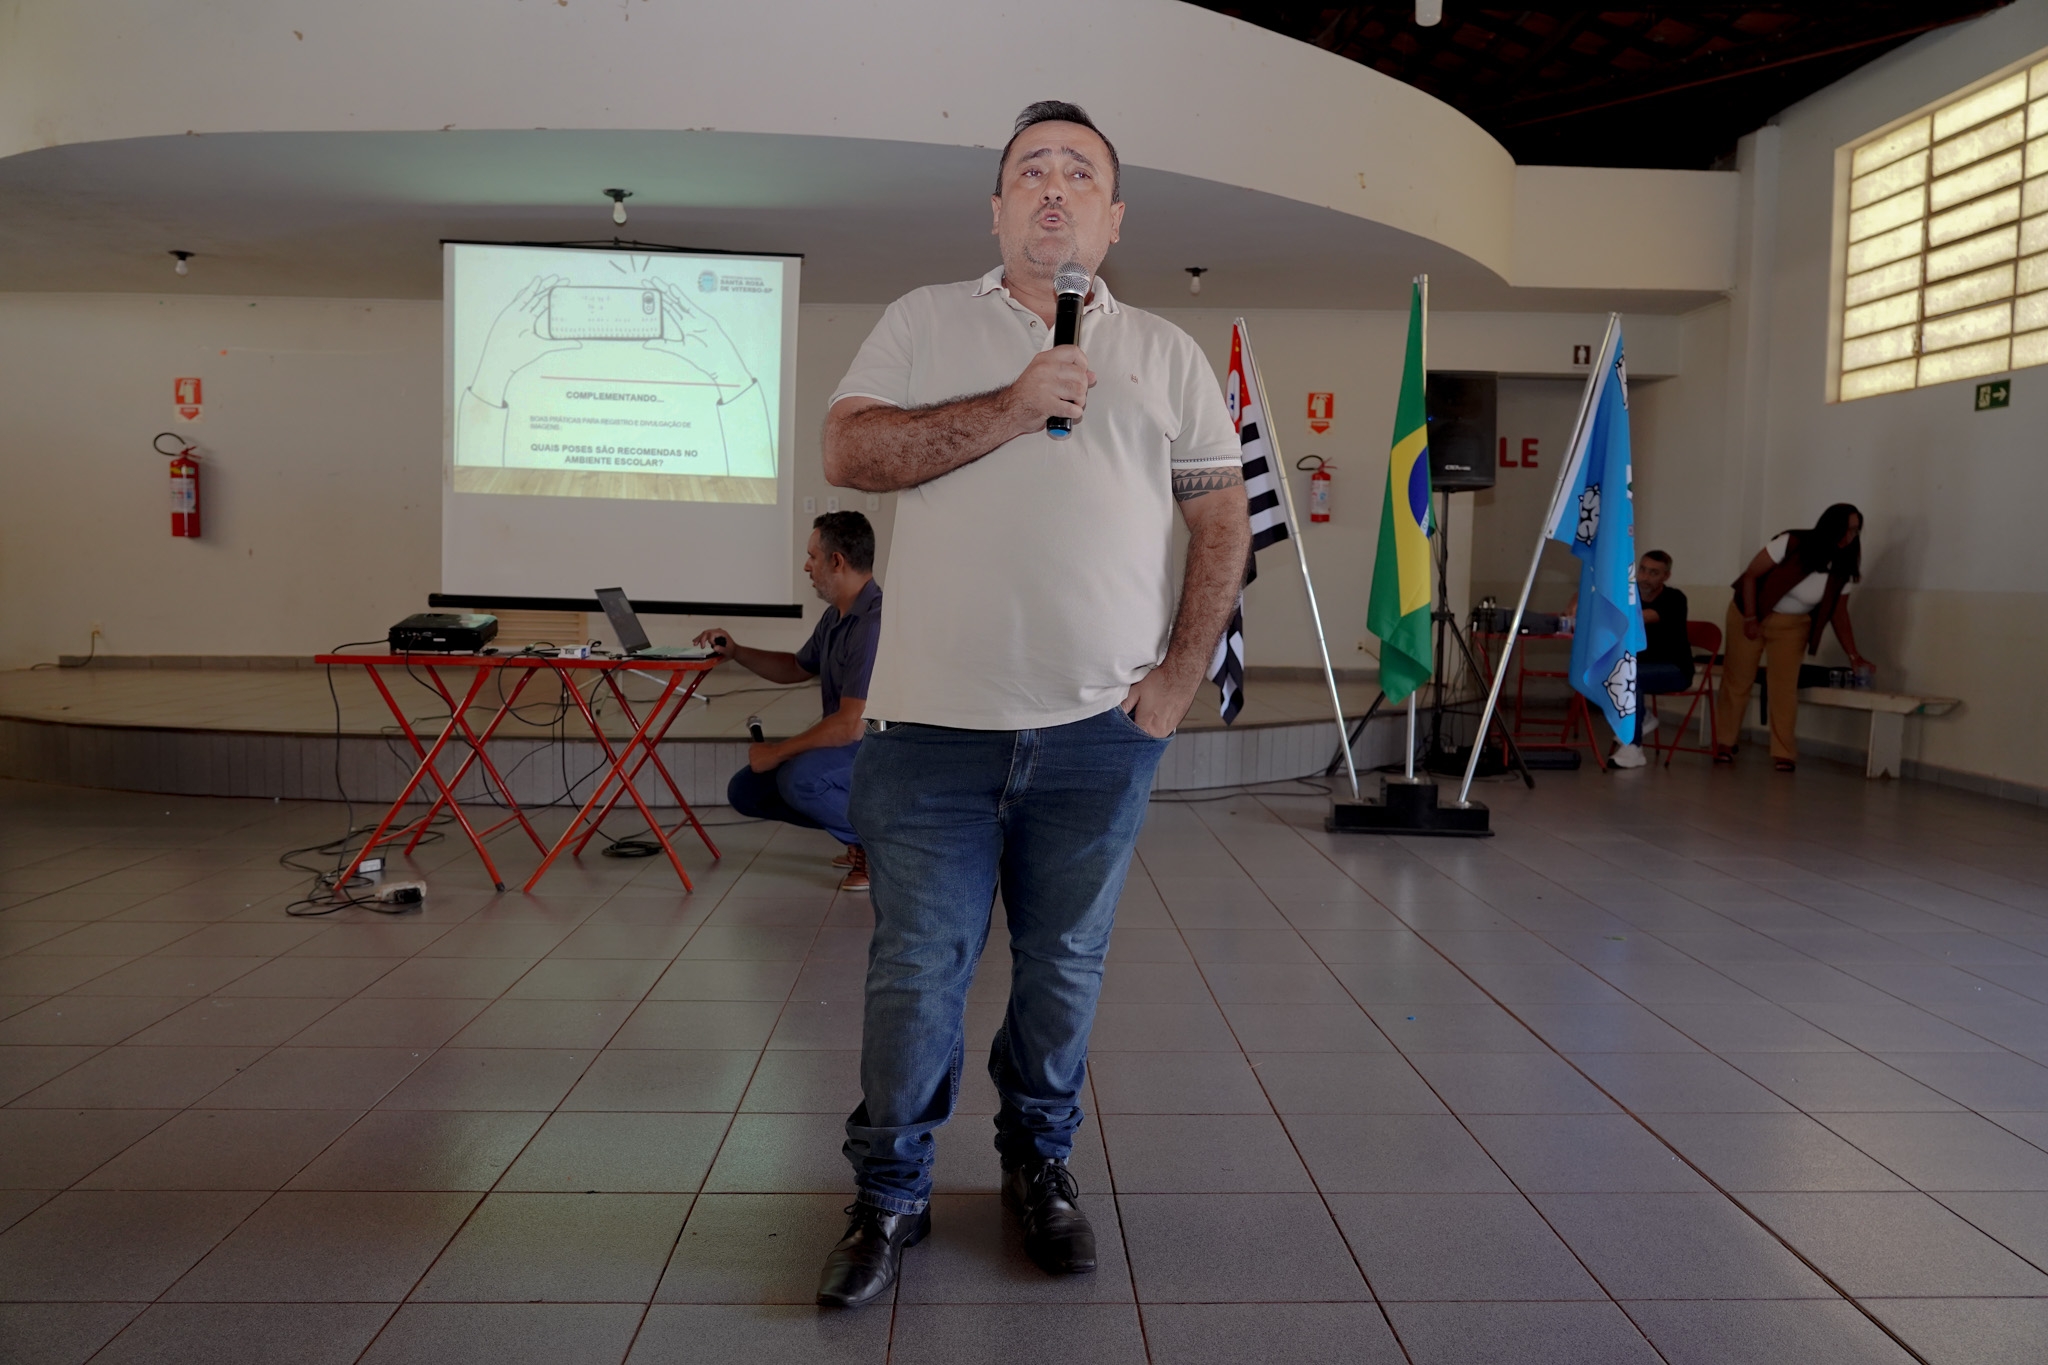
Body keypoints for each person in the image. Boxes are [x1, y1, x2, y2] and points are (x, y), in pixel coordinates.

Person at [810, 100, 1250, 1308]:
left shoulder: (1165, 353)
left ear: (1114, 218)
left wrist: (1174, 681)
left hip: (1096, 738)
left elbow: (1221, 522)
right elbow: (850, 455)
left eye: (1079, 175)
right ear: (996, 209)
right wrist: (1015, 402)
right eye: (1030, 173)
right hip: (927, 735)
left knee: (1062, 969)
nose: (1054, 189)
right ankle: (888, 1191)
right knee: (917, 975)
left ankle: (1036, 1163)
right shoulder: (921, 321)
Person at [693, 512, 881, 892]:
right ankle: (859, 838)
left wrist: (778, 752)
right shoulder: (835, 617)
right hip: (848, 747)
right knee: (747, 791)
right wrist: (737, 651)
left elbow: (851, 726)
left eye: (813, 556)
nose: (807, 566)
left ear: (837, 561)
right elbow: (796, 666)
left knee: (801, 779)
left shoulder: (872, 623)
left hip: (878, 752)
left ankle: (878, 847)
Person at [1713, 502, 1871, 773]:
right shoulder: (1792, 542)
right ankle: (1725, 743)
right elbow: (1750, 576)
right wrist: (1750, 618)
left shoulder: (1844, 566)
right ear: (1829, 528)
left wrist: (1854, 656)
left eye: (1855, 531)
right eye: (1845, 529)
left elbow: (1839, 614)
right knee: (1738, 679)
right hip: (1749, 613)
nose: (1850, 536)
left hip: (1793, 625)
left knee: (1784, 687)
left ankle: (1784, 752)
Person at [1605, 549, 1691, 768]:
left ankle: (1633, 747)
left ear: (1666, 576)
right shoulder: (1629, 594)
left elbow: (1642, 618)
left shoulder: (1675, 599)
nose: (1644, 577)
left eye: (1653, 573)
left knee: (1628, 677)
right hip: (1639, 668)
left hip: (1675, 670)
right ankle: (1641, 718)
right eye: (1642, 570)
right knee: (1607, 673)